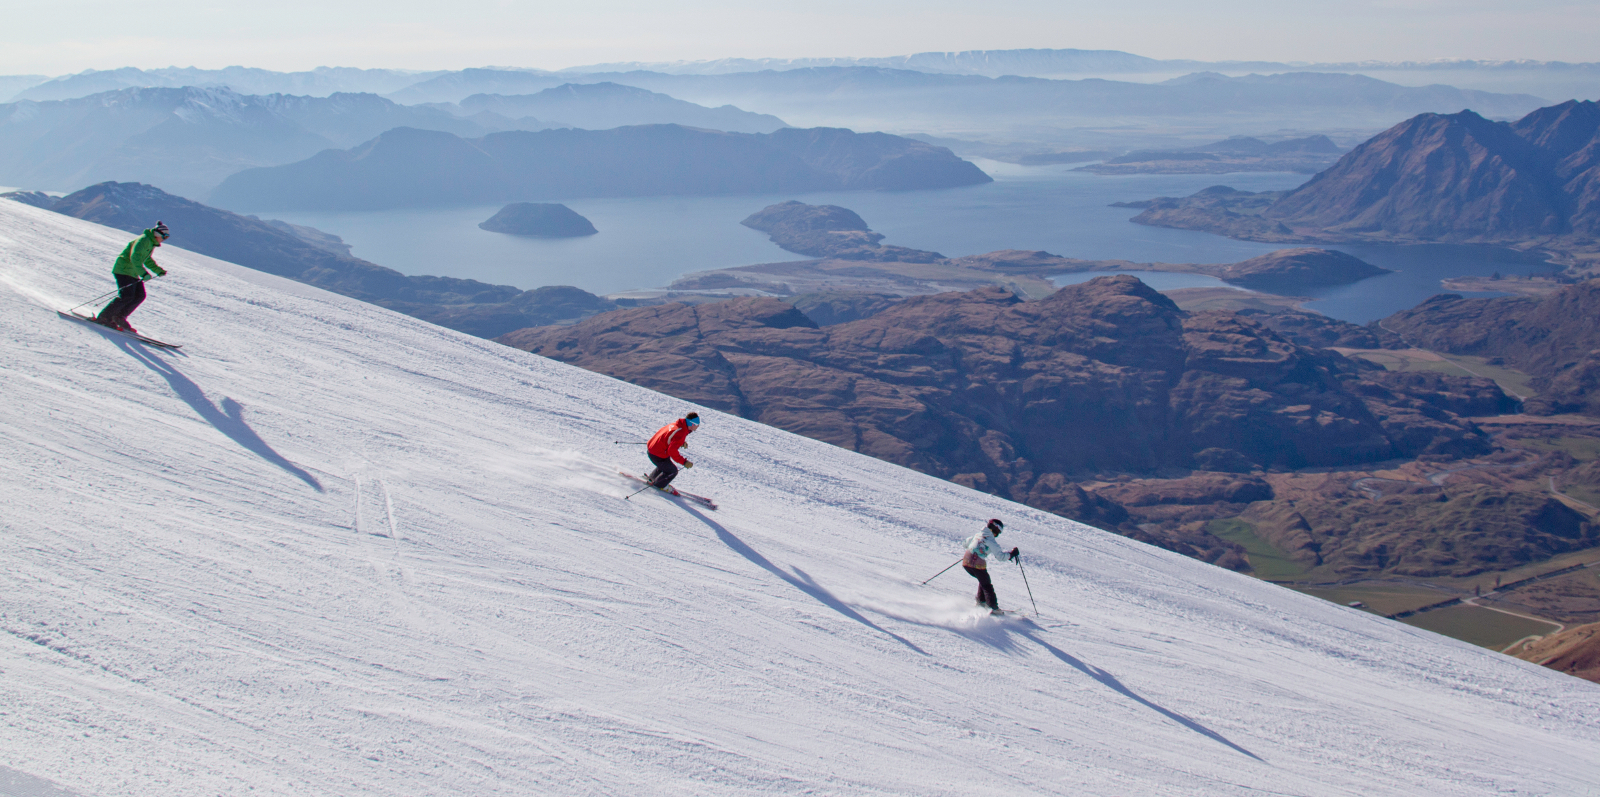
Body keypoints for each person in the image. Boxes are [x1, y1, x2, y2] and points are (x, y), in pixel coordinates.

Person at [96, 221, 170, 333]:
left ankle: (119, 317)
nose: (165, 239)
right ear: (158, 234)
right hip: (123, 269)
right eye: (165, 236)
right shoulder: (143, 241)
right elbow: (134, 258)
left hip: (132, 272)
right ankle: (104, 317)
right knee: (126, 296)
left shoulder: (150, 242)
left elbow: (147, 259)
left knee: (140, 295)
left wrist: (158, 270)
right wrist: (143, 273)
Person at [963, 518, 1019, 614]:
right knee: (987, 585)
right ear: (994, 528)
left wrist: (973, 549)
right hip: (977, 563)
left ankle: (981, 602)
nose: (997, 535)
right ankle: (993, 608)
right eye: (997, 532)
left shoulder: (978, 534)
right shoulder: (990, 540)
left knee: (983, 580)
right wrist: (1012, 554)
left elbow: (965, 543)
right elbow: (1000, 557)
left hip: (966, 561)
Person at [646, 412, 699, 489]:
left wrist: (680, 442)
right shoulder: (681, 432)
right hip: (657, 453)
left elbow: (670, 435)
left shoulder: (677, 425)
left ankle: (652, 478)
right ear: (692, 424)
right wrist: (684, 462)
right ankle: (658, 485)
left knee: (665, 464)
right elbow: (672, 451)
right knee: (672, 471)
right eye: (697, 424)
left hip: (653, 448)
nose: (698, 427)